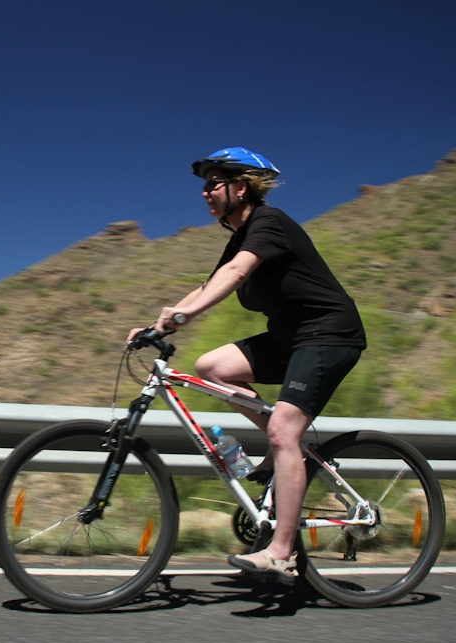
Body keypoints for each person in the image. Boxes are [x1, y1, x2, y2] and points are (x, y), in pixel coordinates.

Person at [127, 146, 366, 582]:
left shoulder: (269, 223)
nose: (205, 192)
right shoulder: (240, 238)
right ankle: (286, 449)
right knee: (212, 366)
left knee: (283, 431)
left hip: (329, 335)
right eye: (204, 186)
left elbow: (237, 274)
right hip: (290, 339)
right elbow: (211, 284)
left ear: (241, 187)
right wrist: (157, 325)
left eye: (213, 184)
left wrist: (182, 317)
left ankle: (282, 552)